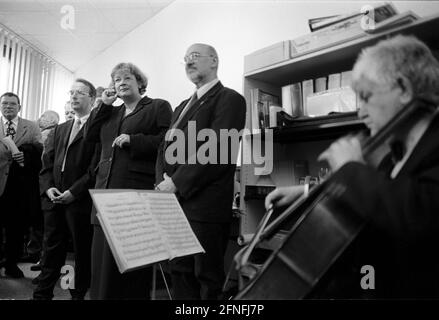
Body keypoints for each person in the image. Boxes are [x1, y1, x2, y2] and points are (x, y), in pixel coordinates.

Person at [265, 35, 439, 299]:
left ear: (403, 88)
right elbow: (383, 197)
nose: (361, 112)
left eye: (366, 97)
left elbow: (420, 216)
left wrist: (352, 169)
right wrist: (306, 193)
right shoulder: (393, 155)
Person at [155, 43, 246, 300]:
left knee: (205, 276)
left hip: (204, 206)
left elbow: (218, 148)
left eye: (194, 56)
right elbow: (164, 146)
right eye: (185, 58)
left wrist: (176, 182)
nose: (188, 62)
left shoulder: (230, 99)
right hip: (174, 202)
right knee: (179, 271)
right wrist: (161, 181)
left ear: (214, 60)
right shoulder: (182, 105)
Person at [85, 62, 172, 299]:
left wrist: (135, 140)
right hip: (105, 195)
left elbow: (169, 141)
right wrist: (103, 104)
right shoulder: (110, 113)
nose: (121, 83)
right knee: (102, 266)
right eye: (116, 80)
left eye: (127, 78)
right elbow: (89, 136)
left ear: (140, 83)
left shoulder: (157, 106)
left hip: (136, 194)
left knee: (131, 267)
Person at [32, 79, 99, 300]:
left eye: (80, 92)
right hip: (54, 199)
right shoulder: (60, 129)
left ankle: (77, 295)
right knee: (51, 249)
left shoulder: (97, 128)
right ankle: (42, 294)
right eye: (71, 92)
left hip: (79, 200)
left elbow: (95, 168)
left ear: (92, 98)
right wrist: (49, 187)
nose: (73, 96)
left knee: (81, 252)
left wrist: (74, 192)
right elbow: (47, 164)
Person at [0, 92, 43, 278]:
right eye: (4, 103)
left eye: (12, 104)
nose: (8, 106)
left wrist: (27, 154)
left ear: (19, 106)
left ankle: (11, 264)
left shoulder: (31, 126)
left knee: (16, 228)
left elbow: (41, 151)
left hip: (19, 186)